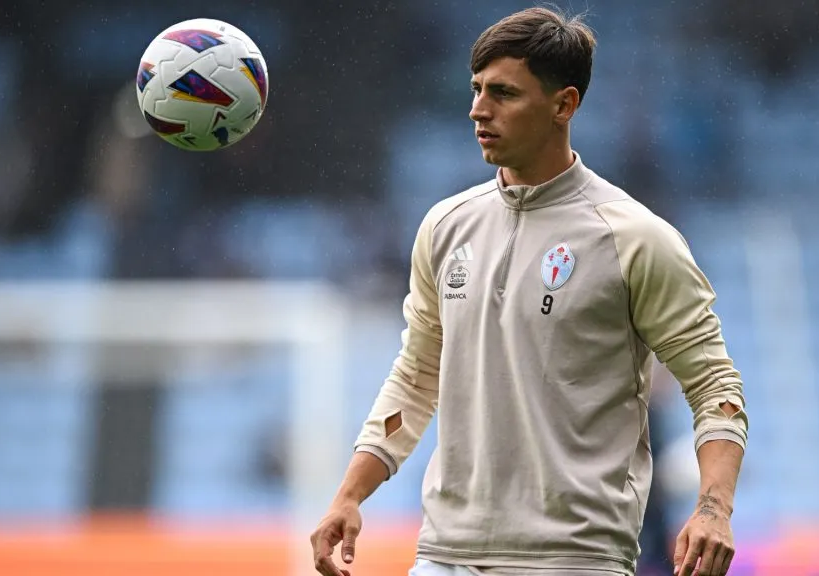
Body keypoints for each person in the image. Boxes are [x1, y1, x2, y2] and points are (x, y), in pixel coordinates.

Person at [311, 7, 748, 576]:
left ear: (564, 104)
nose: (478, 109)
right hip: (446, 554)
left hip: (576, 558)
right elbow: (417, 374)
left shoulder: (635, 238)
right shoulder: (446, 227)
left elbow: (715, 384)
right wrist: (349, 494)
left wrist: (714, 509)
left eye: (503, 93)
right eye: (475, 90)